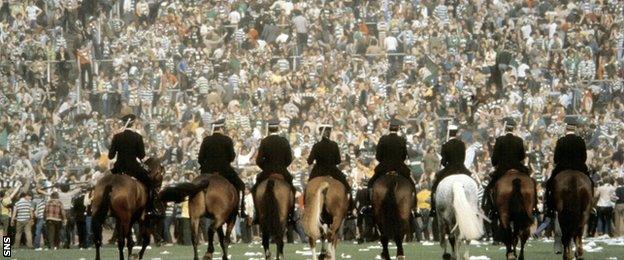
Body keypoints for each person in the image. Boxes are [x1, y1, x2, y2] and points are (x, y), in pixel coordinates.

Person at [108, 114, 157, 216]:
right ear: (133, 123)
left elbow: (110, 156)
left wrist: (115, 140)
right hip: (133, 168)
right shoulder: (137, 137)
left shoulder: (117, 136)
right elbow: (141, 155)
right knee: (149, 183)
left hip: (118, 168)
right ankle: (150, 208)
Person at [483, 117, 531, 218]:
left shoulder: (500, 140)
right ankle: (533, 208)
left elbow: (494, 158)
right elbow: (522, 156)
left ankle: (490, 210)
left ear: (505, 128)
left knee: (489, 188)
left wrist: (495, 163)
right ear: (513, 128)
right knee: (530, 181)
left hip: (503, 169)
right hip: (517, 168)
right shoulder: (519, 140)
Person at [198, 119, 246, 217]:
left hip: (207, 171)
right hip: (224, 170)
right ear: (221, 128)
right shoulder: (227, 140)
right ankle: (239, 210)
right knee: (241, 185)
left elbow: (200, 158)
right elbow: (232, 157)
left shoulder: (206, 140)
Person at [544, 116, 590, 218]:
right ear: (575, 128)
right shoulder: (580, 140)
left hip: (563, 167)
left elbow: (556, 158)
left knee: (549, 184)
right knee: (590, 182)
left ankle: (550, 209)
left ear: (566, 128)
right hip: (579, 167)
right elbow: (584, 157)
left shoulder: (561, 141)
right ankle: (591, 207)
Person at [252, 119, 296, 223]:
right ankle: (291, 215)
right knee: (292, 189)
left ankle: (257, 215)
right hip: (282, 171)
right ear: (278, 128)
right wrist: (282, 167)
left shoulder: (264, 141)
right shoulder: (284, 141)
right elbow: (289, 159)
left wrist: (265, 168)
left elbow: (258, 160)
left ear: (269, 129)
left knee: (255, 189)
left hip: (267, 171)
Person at [307, 124, 353, 210]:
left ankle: (307, 207)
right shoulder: (334, 145)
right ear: (329, 133)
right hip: (332, 170)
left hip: (318, 170)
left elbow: (309, 161)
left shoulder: (316, 145)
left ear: (321, 133)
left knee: (308, 186)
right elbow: (338, 161)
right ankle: (350, 208)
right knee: (347, 187)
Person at [430, 125, 472, 216]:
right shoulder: (462, 144)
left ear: (448, 133)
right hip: (462, 169)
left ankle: (433, 209)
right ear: (456, 133)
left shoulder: (445, 145)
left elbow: (444, 162)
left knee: (435, 186)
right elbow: (463, 158)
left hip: (449, 169)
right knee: (473, 182)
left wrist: (445, 163)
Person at [368, 119, 415, 189]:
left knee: (371, 183)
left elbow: (378, 156)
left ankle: (369, 197)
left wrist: (384, 161)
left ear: (389, 128)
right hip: (399, 166)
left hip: (385, 165)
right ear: (398, 128)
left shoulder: (383, 139)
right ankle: (414, 198)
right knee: (412, 184)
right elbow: (404, 156)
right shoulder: (401, 139)